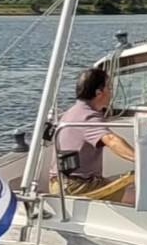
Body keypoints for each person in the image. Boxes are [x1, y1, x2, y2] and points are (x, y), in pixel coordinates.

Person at [51, 67, 135, 198]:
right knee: (135, 196)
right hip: (75, 186)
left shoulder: (72, 112)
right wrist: (140, 159)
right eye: (109, 88)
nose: (111, 92)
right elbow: (111, 140)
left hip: (62, 183)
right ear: (98, 93)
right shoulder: (88, 116)